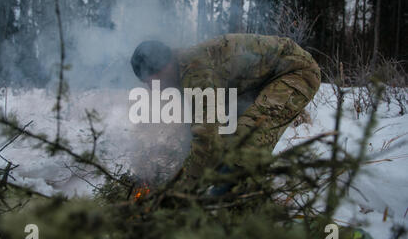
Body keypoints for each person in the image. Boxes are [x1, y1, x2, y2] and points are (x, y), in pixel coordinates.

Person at [130, 34, 321, 190]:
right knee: (226, 134)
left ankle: (234, 208)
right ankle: (229, 190)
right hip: (259, 82)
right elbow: (201, 126)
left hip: (296, 72)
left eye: (151, 82)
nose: (154, 89)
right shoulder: (182, 69)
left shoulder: (196, 71)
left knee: (248, 138)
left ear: (164, 68)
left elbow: (208, 139)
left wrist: (182, 189)